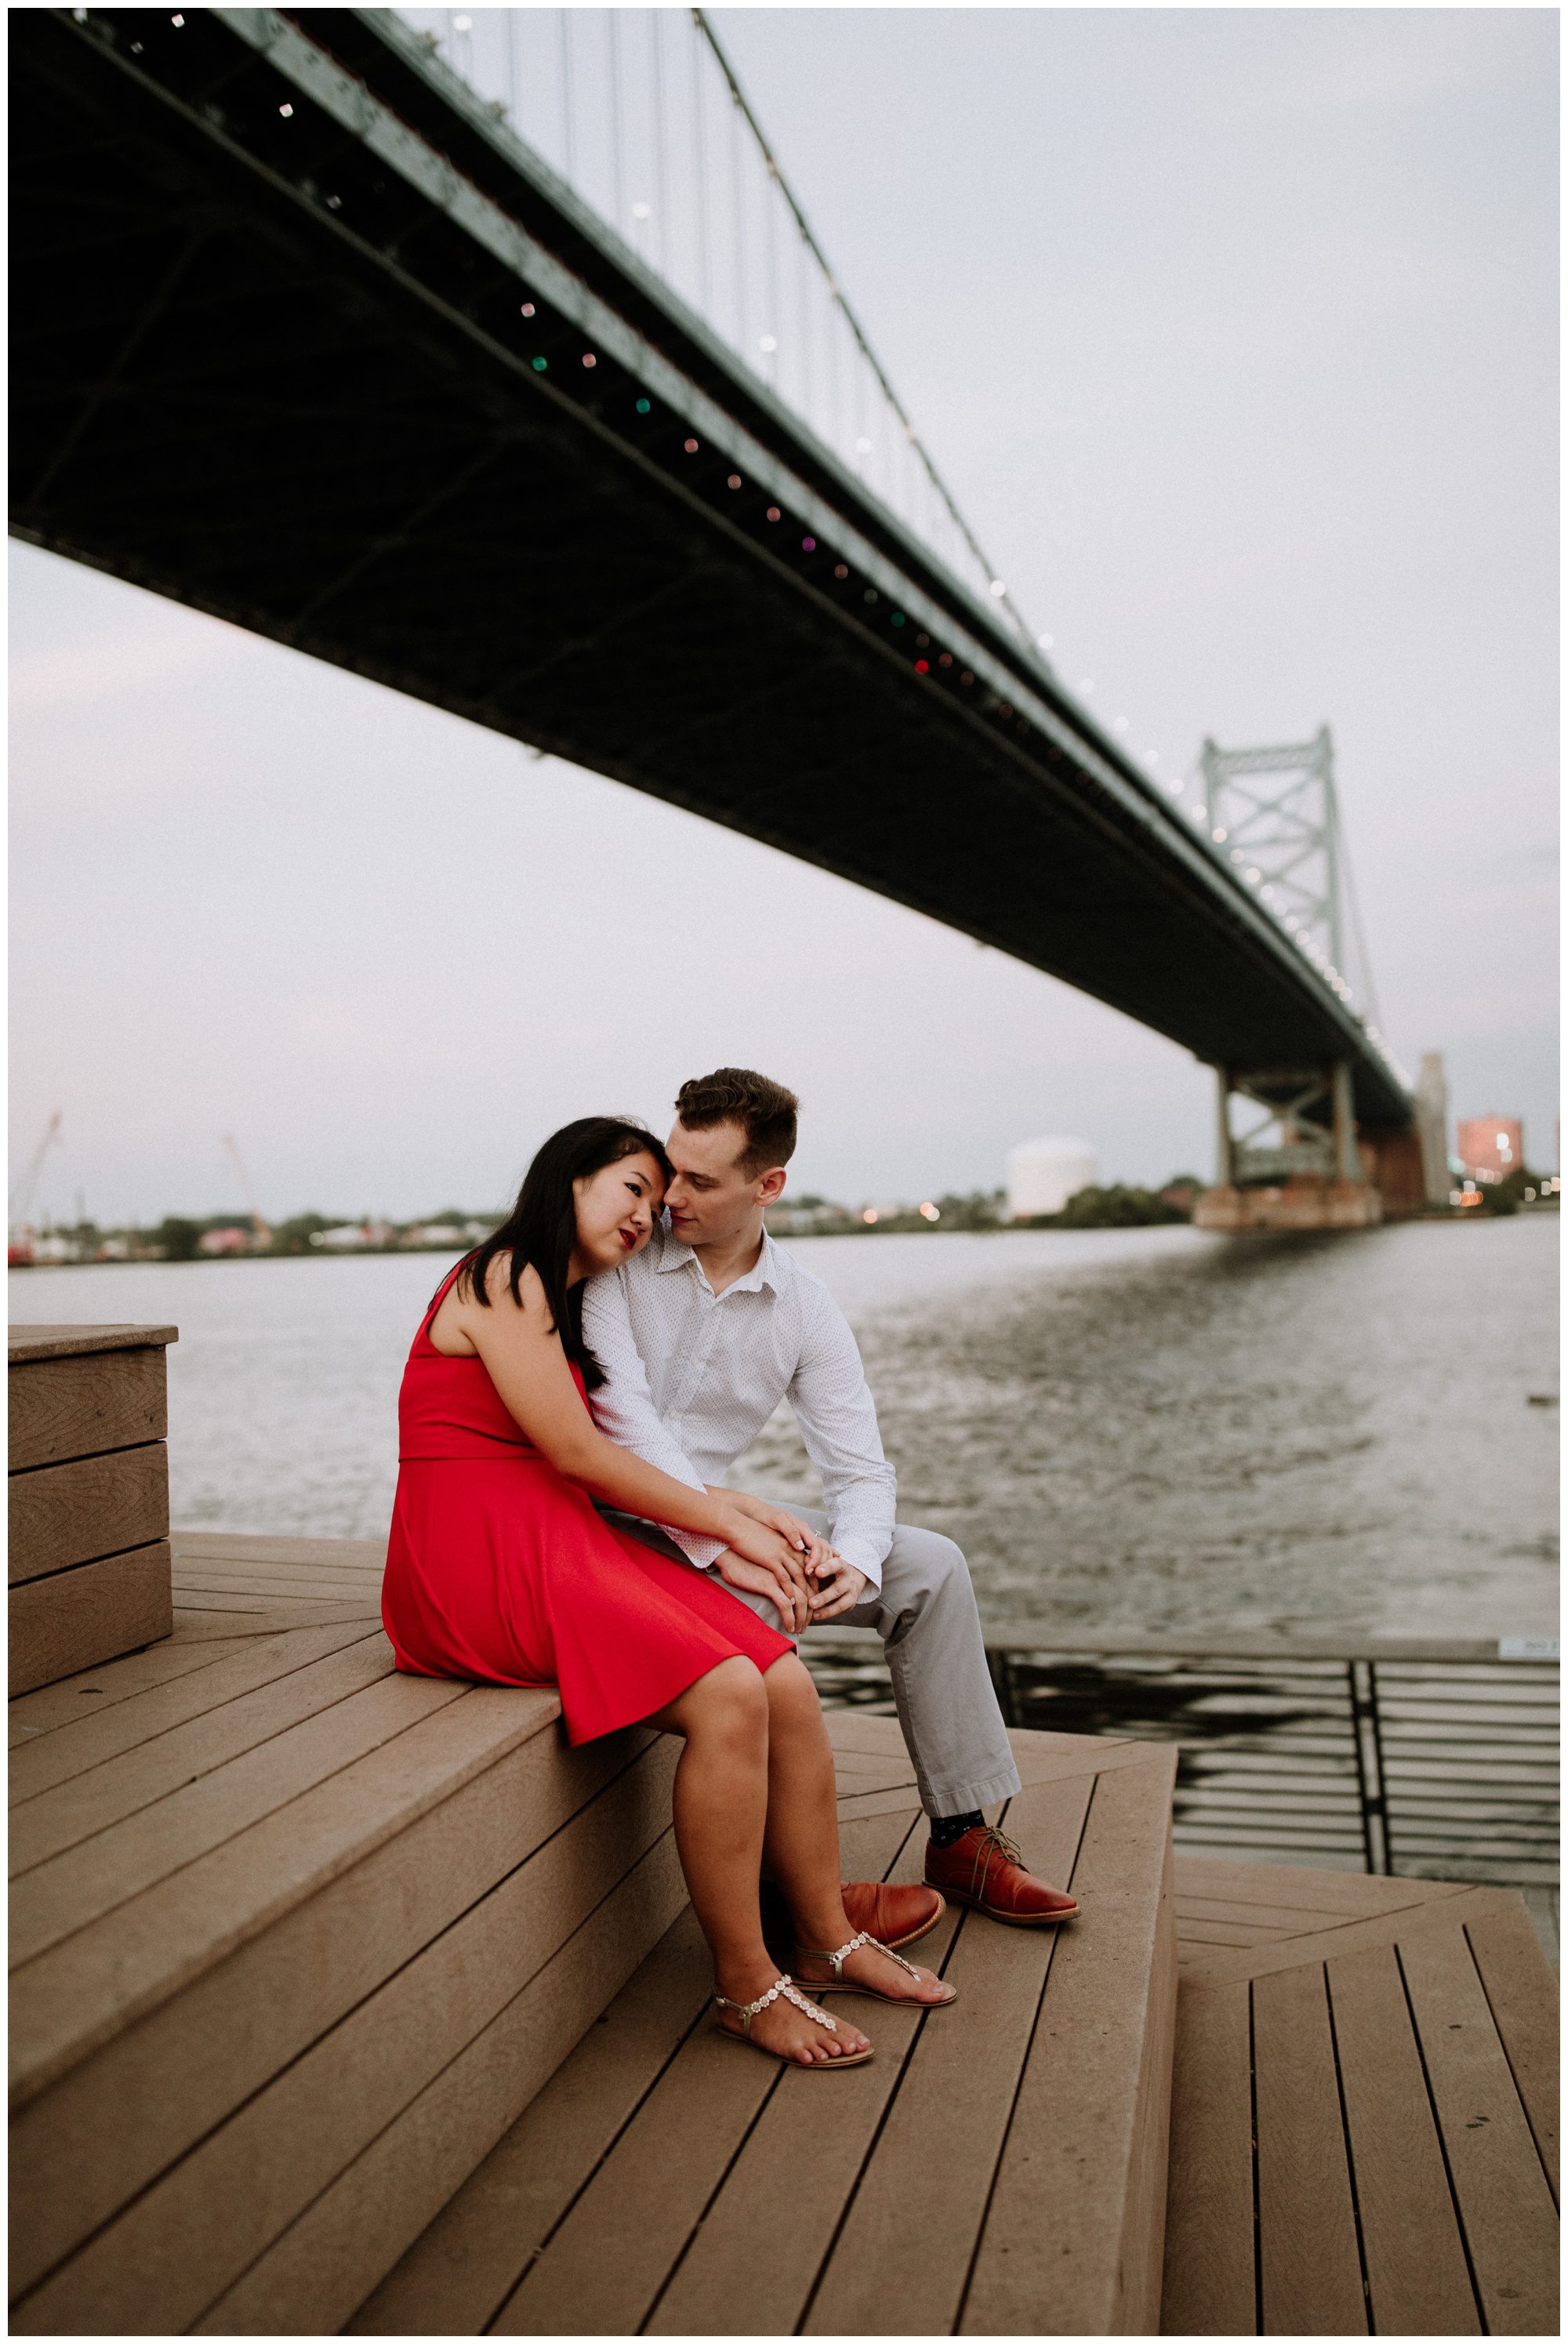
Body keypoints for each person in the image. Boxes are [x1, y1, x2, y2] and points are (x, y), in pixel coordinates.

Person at [381, 1115, 955, 2070]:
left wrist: (735, 1507)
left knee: (779, 1674)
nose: (648, 1214)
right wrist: (730, 1526)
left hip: (552, 1527)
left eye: (658, 1198)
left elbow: (601, 1452)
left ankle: (824, 1934)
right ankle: (745, 1983)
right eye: (633, 1188)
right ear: (569, 1178)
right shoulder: (507, 1274)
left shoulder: (565, 1290)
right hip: (471, 1559)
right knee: (728, 1691)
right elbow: (578, 1452)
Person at [581, 1070, 1080, 1931]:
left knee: (929, 1567)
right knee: (763, 1603)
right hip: (606, 1525)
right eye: (671, 1168)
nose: (670, 1195)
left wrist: (854, 1561)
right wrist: (726, 1538)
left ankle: (959, 1835)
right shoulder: (620, 1260)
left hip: (719, 1523)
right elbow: (623, 1426)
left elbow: (860, 1472)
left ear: (767, 1184)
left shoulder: (804, 1306)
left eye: (699, 1180)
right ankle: (795, 1895)